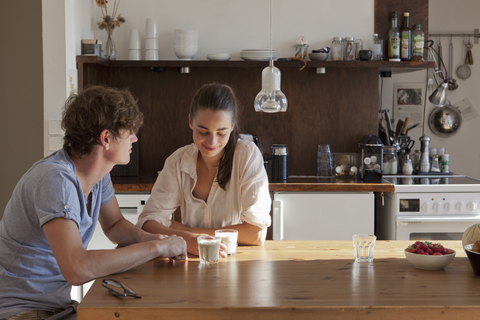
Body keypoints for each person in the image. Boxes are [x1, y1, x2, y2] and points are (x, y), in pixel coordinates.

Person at [0, 86, 187, 320]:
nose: (135, 138)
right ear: (106, 138)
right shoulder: (56, 180)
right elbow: (77, 269)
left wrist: (147, 238)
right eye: (129, 132)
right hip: (20, 311)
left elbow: (114, 224)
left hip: (54, 307)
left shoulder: (98, 176)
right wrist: (156, 249)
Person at [137, 83, 271, 255]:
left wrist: (186, 233)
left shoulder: (246, 155)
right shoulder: (177, 161)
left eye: (221, 133)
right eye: (203, 131)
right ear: (191, 122)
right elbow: (147, 223)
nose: (212, 141)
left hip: (237, 265)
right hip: (190, 263)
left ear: (232, 127)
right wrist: (189, 236)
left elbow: (256, 234)